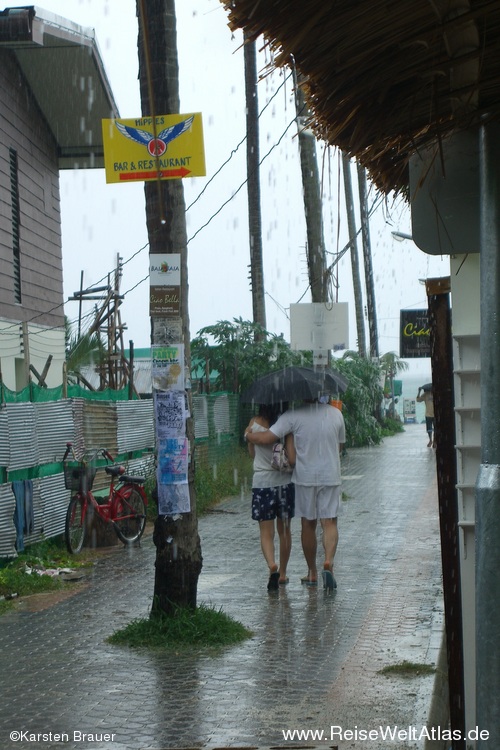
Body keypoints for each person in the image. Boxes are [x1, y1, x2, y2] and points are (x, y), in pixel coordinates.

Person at [245, 398, 345, 591]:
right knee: (329, 522)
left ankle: (312, 573)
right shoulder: (336, 413)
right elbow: (340, 447)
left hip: (304, 477)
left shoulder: (292, 416)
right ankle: (328, 562)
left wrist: (248, 435)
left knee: (308, 524)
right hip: (330, 475)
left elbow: (266, 439)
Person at [244, 404, 295, 592]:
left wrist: (250, 437)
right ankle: (282, 573)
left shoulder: (254, 424)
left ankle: (272, 565)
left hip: (262, 483)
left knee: (266, 532)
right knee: (285, 531)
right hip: (284, 482)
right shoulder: (285, 424)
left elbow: (251, 453)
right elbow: (291, 455)